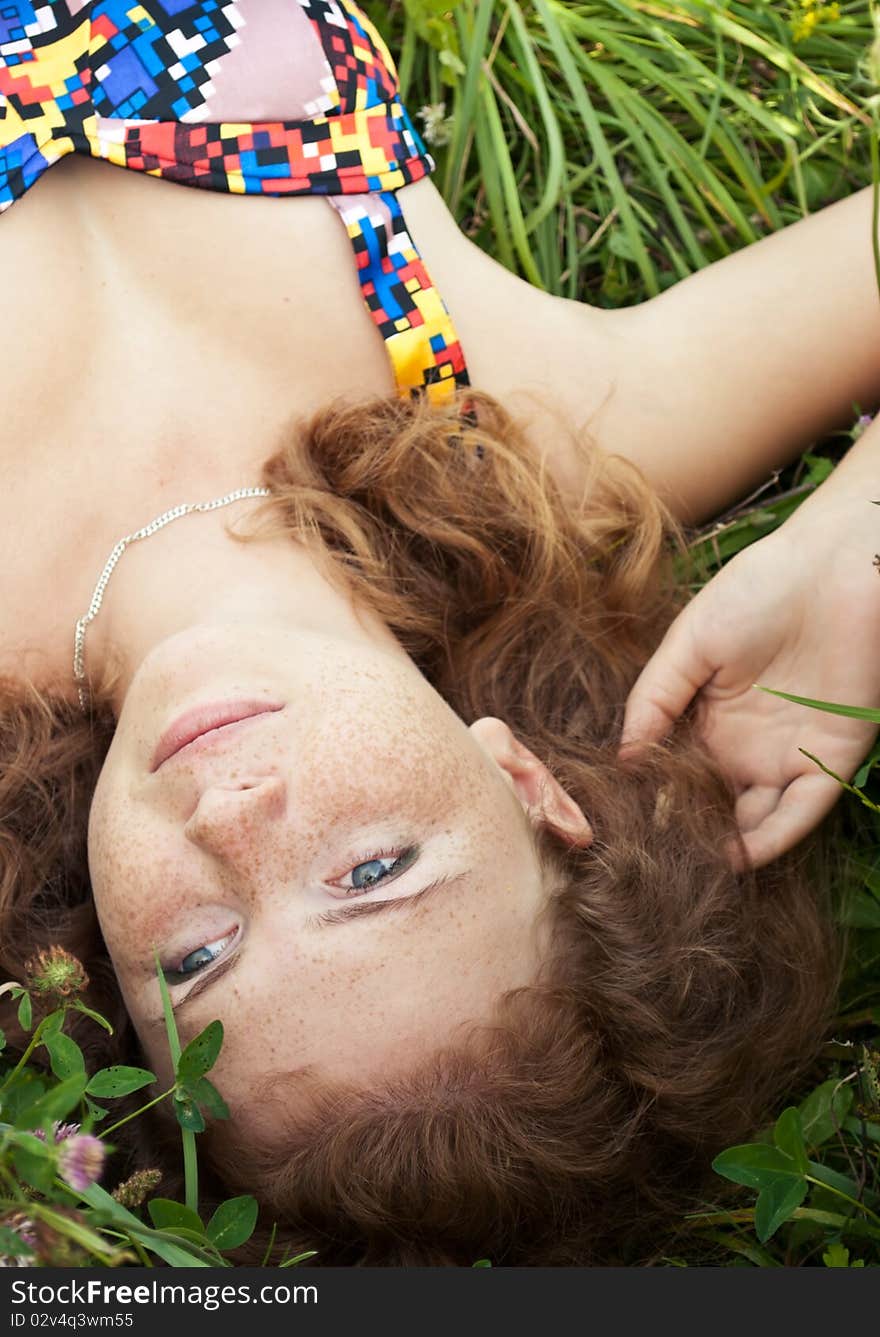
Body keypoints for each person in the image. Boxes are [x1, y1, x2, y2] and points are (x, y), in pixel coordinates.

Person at [0, 2, 876, 1264]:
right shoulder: (531, 435)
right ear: (529, 784)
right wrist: (853, 548)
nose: (234, 819)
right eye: (371, 872)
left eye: (197, 955)